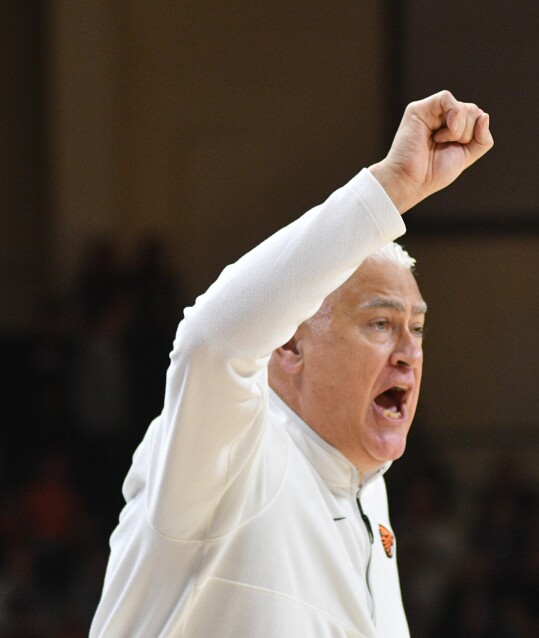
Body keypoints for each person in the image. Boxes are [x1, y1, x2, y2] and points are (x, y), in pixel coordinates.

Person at [89, 91, 493, 637]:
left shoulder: (365, 490)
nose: (408, 352)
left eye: (416, 329)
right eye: (379, 323)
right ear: (289, 346)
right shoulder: (235, 453)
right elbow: (211, 341)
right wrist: (391, 187)